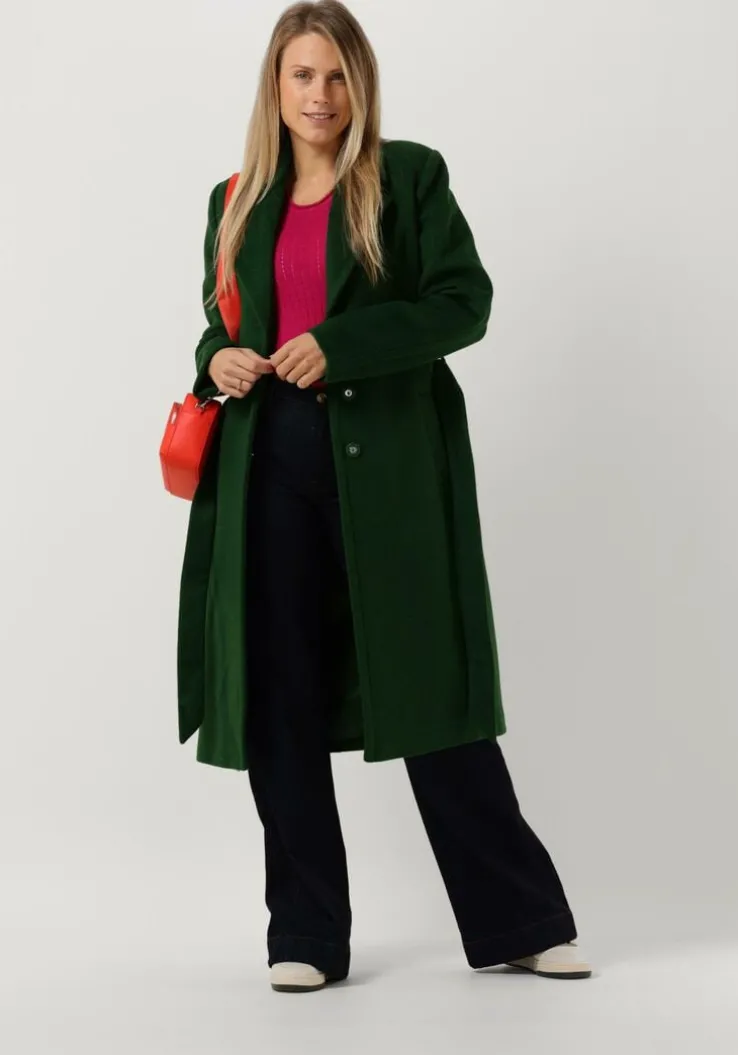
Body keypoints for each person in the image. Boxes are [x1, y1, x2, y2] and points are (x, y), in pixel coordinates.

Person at [176, 0, 593, 993]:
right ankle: (305, 934)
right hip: (265, 466)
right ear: (275, 87)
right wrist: (217, 358)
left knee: (429, 682)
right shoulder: (234, 199)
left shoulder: (406, 178)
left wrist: (344, 344)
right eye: (302, 75)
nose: (320, 95)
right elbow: (218, 323)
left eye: (337, 75)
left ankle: (521, 922)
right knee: (278, 693)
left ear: (359, 84)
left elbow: (463, 303)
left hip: (388, 470)